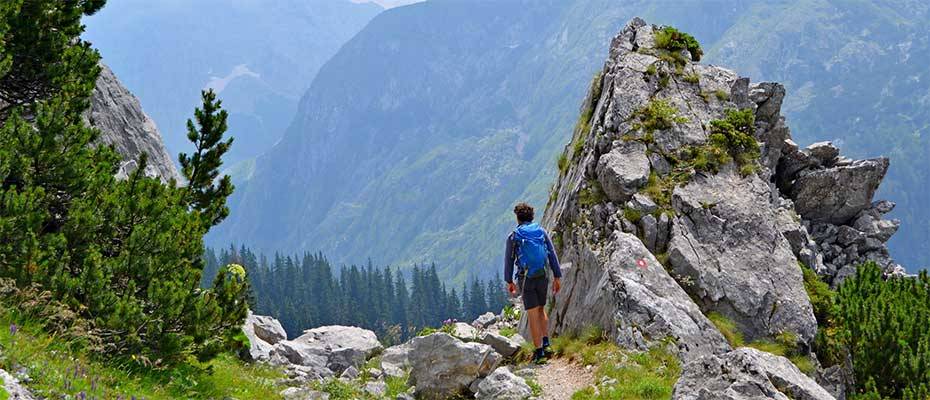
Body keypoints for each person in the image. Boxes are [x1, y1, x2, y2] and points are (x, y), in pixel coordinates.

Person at [504, 202, 561, 364]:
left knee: (532, 313)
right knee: (541, 309)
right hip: (543, 275)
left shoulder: (514, 236)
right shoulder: (541, 232)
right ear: (532, 216)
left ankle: (539, 352)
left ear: (518, 218)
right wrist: (557, 276)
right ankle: (547, 344)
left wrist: (509, 281)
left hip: (526, 278)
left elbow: (509, 260)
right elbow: (552, 255)